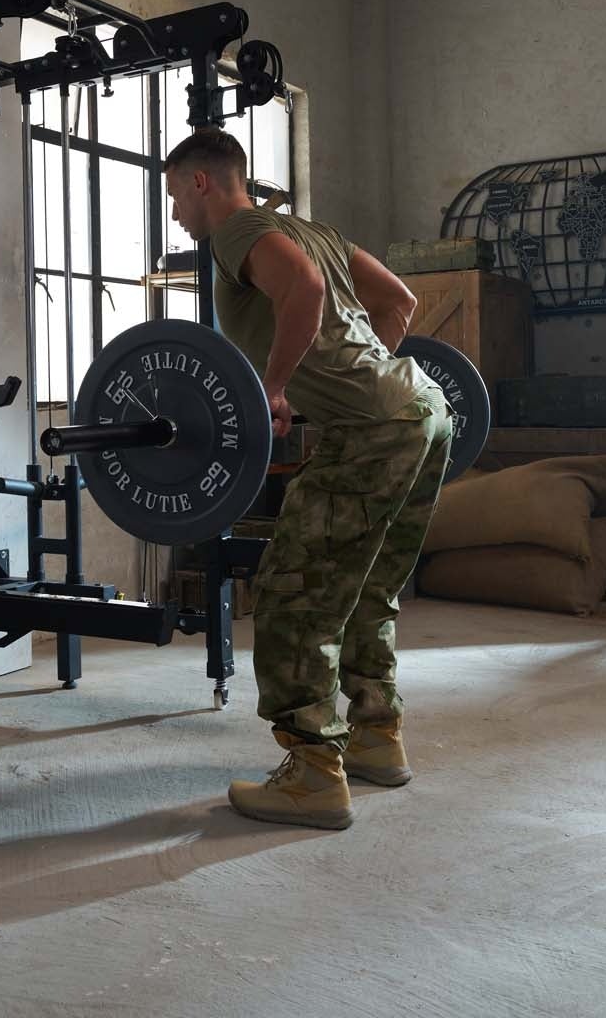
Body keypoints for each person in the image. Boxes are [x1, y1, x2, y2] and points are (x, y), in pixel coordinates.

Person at [162, 128, 453, 830]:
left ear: (202, 182)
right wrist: (360, 383)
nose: (174, 214)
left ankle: (314, 774)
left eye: (173, 196)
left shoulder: (236, 230)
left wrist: (277, 387)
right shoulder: (312, 228)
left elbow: (306, 288)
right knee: (365, 586)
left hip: (375, 430)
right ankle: (377, 738)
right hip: (423, 410)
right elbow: (399, 304)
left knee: (294, 596)